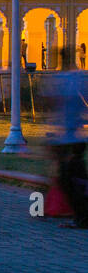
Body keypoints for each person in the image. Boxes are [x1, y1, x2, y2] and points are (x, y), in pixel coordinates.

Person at [46, 46, 88, 228]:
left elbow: (54, 104)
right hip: (74, 135)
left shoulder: (64, 79)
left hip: (69, 137)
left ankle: (81, 217)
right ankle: (79, 216)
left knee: (69, 180)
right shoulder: (76, 78)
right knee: (73, 178)